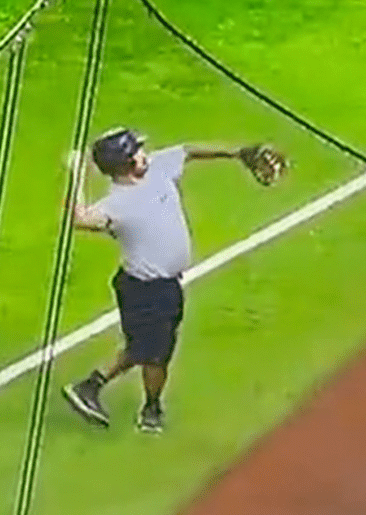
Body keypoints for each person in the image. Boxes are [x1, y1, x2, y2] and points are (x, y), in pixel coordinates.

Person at [61, 127, 286, 434]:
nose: (145, 153)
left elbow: (189, 150)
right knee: (153, 353)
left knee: (146, 348)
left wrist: (235, 152)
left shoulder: (155, 169)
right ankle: (145, 407)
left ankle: (95, 387)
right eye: (137, 151)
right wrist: (76, 173)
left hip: (162, 287)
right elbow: (79, 219)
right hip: (144, 289)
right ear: (125, 164)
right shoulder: (117, 205)